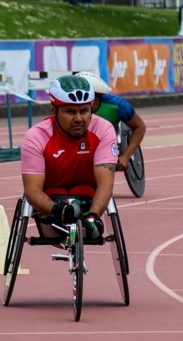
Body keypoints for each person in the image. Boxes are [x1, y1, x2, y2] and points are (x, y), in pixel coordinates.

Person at [20, 74, 118, 240]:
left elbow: (105, 184)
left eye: (84, 111)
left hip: (89, 199)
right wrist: (56, 210)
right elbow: (32, 190)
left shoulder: (104, 130)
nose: (79, 118)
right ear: (54, 110)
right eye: (70, 112)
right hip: (51, 202)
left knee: (86, 192)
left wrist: (94, 216)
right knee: (56, 195)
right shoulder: (36, 136)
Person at [76, 71, 147, 174]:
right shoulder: (68, 106)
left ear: (96, 96)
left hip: (104, 142)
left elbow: (140, 127)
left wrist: (126, 156)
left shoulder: (117, 105)